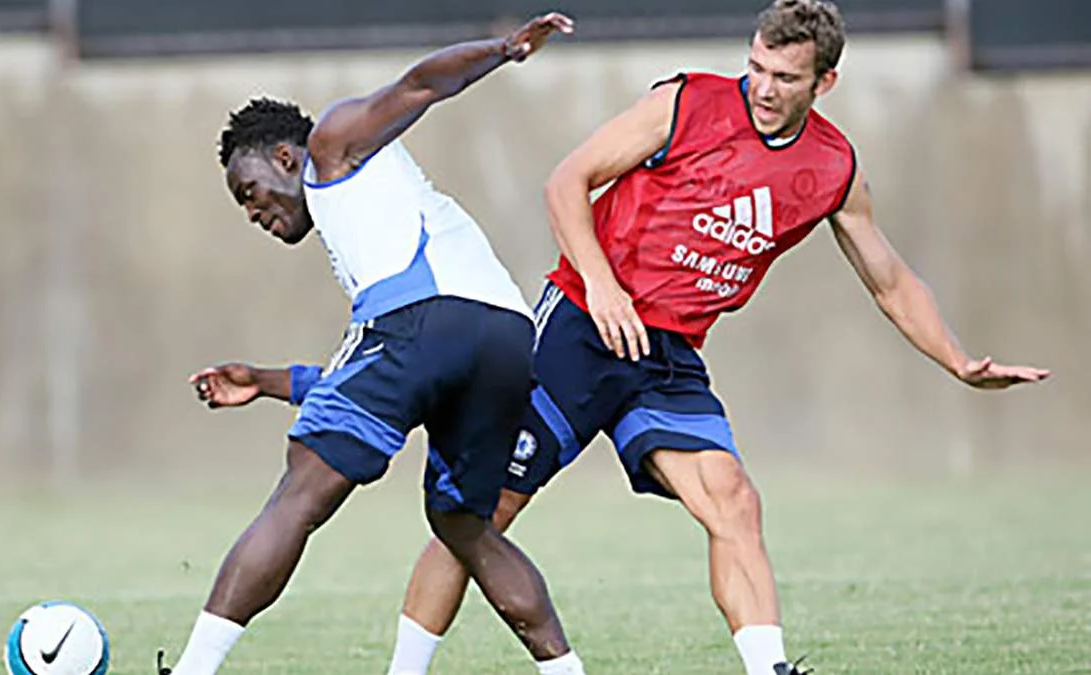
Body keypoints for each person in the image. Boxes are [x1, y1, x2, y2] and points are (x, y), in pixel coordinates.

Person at [379, 1, 1052, 674]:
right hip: (581, 328)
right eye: (756, 67)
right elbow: (567, 183)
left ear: (825, 83)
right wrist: (604, 286)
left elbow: (891, 282)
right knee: (482, 512)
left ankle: (770, 669)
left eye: (785, 77)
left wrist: (959, 361)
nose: (763, 88)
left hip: (667, 357)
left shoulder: (833, 168)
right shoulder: (685, 104)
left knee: (734, 500)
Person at [160, 13, 590, 675]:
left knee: (301, 489)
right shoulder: (367, 220)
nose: (253, 212)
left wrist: (503, 49)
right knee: (463, 523)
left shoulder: (331, 145)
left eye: (250, 192)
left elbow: (419, 85)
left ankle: (193, 669)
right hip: (508, 337)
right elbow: (385, 367)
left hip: (426, 323)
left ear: (285, 158)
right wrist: (266, 381)